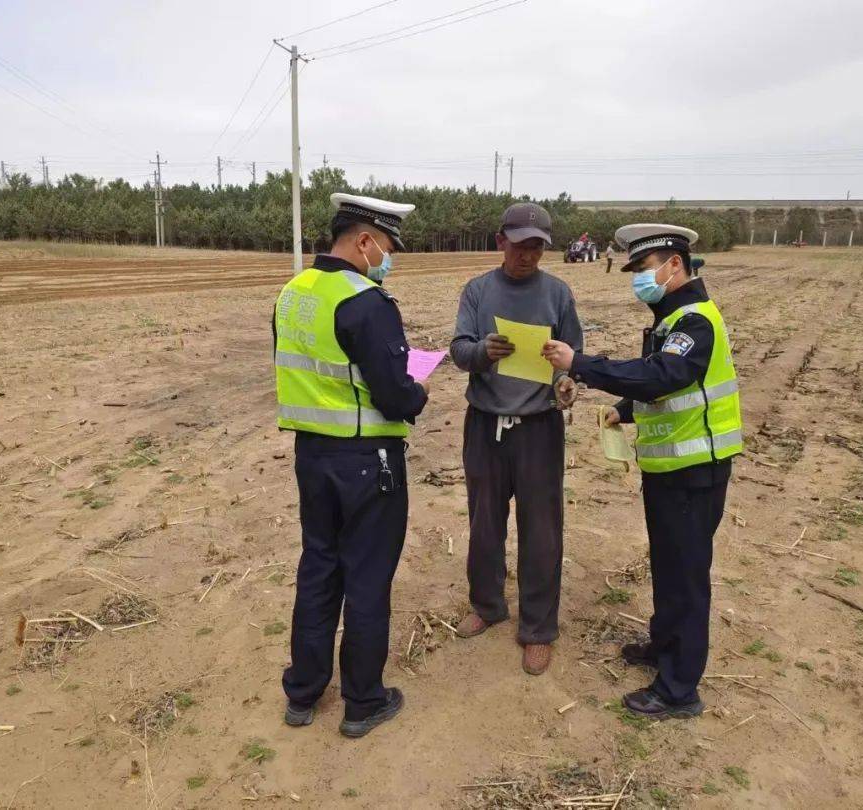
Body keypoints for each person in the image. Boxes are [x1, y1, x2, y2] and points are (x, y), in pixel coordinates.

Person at [542, 224, 742, 719]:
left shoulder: (695, 321)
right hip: (671, 469)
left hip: (696, 470)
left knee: (686, 576)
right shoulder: (670, 318)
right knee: (669, 566)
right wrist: (625, 409)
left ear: (675, 264)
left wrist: (582, 364)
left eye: (645, 268)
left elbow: (664, 376)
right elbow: (666, 387)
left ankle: (679, 690)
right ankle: (664, 647)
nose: (638, 278)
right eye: (633, 270)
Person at [274, 193, 429, 738]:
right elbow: (395, 397)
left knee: (319, 567)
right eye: (387, 247)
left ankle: (303, 692)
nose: (389, 259)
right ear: (364, 242)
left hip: (311, 457)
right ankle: (364, 700)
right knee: (366, 579)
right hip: (368, 461)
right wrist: (418, 390)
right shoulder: (368, 302)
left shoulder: (293, 293)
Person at [449, 202, 584, 676]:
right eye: (520, 244)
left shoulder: (559, 295)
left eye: (537, 247)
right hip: (485, 425)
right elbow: (458, 351)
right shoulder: (478, 291)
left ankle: (538, 628)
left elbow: (574, 359)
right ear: (500, 240)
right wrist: (483, 351)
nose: (528, 255)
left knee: (542, 530)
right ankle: (487, 605)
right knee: (484, 521)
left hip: (539, 429)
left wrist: (567, 384)